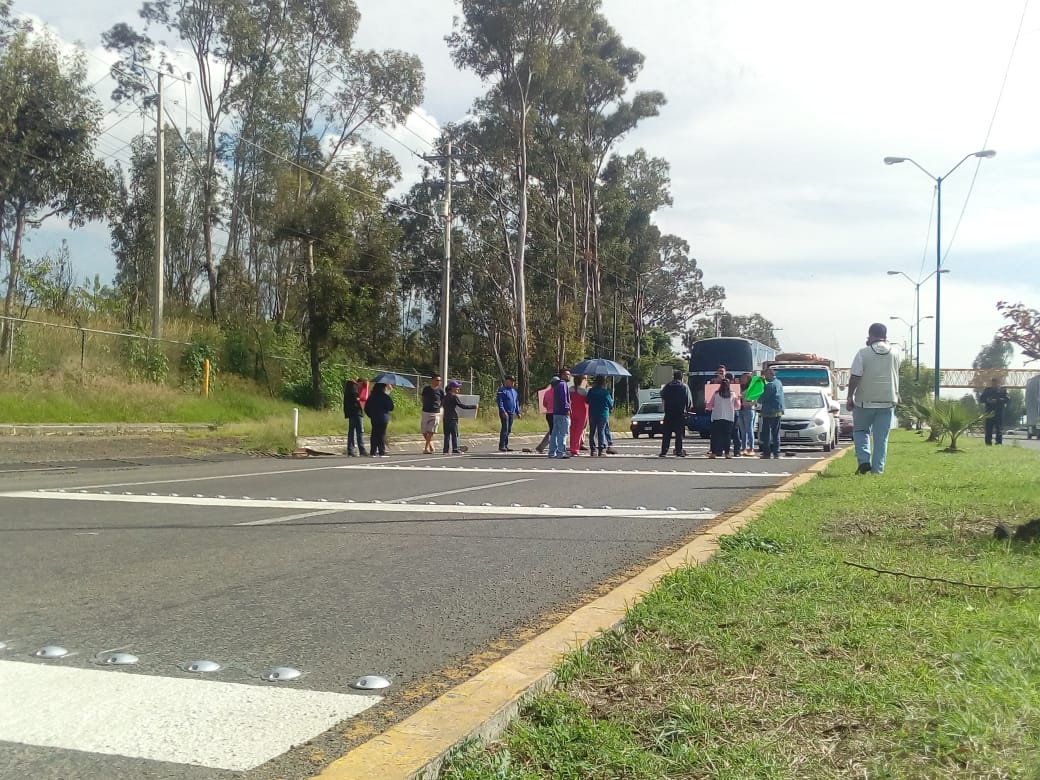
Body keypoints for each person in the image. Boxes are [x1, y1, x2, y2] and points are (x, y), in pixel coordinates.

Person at [846, 322, 901, 474]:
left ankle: (863, 460)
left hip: (864, 401)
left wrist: (850, 396)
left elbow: (855, 376)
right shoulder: (895, 353)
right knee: (881, 438)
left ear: (870, 336)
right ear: (885, 336)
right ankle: (878, 470)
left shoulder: (862, 353)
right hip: (887, 400)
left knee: (861, 431)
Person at [659, 370, 693, 457]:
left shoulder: (667, 386)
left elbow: (662, 396)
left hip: (669, 413)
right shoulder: (684, 387)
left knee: (667, 434)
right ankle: (678, 451)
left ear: (673, 377)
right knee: (679, 434)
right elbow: (689, 401)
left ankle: (664, 451)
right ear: (681, 378)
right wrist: (688, 410)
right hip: (680, 414)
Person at [708, 377, 740, 459]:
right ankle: (727, 453)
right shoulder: (733, 394)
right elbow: (737, 406)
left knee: (715, 435)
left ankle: (714, 453)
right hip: (729, 417)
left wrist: (708, 405)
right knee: (727, 436)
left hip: (717, 416)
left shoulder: (716, 394)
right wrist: (739, 399)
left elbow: (710, 405)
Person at [757, 366, 785, 459]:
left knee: (766, 433)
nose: (764, 377)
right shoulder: (779, 382)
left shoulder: (770, 385)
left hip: (769, 411)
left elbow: (762, 398)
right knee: (776, 433)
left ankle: (767, 452)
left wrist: (757, 400)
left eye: (765, 375)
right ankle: (776, 453)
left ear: (770, 374)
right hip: (778, 410)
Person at [442, 380, 476, 454]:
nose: (458, 389)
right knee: (455, 434)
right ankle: (455, 448)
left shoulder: (445, 397)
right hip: (453, 417)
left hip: (445, 417)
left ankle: (445, 449)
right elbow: (462, 406)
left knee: (447, 434)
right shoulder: (454, 396)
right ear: (452, 388)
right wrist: (474, 406)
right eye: (456, 387)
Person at [585, 376, 614, 456]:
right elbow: (610, 404)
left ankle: (593, 450)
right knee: (601, 431)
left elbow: (587, 401)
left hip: (592, 413)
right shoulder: (605, 392)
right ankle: (601, 449)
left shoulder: (591, 391)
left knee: (592, 431)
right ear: (603, 382)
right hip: (603, 413)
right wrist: (611, 407)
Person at [364, 382, 394, 457]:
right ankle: (381, 451)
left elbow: (366, 408)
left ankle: (373, 452)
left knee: (374, 433)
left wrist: (370, 415)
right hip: (384, 417)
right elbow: (391, 407)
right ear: (383, 388)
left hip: (374, 417)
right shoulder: (385, 397)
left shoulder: (371, 397)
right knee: (381, 434)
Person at [547, 369, 572, 458]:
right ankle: (561, 452)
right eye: (566, 374)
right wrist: (567, 409)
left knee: (555, 432)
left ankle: (552, 452)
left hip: (556, 412)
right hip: (562, 412)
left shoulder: (556, 385)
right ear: (561, 375)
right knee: (563, 433)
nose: (568, 376)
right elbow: (563, 398)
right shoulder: (563, 384)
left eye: (569, 374)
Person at [979, 378, 1010, 446]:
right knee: (988, 429)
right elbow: (981, 399)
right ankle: (988, 442)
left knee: (999, 428)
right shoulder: (987, 390)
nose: (995, 384)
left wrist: (998, 400)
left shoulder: (1003, 390)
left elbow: (1007, 399)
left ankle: (998, 442)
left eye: (996, 383)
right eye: (993, 383)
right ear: (991, 383)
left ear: (998, 383)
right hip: (989, 412)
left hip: (999, 412)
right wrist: (988, 400)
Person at [419, 374, 445, 455]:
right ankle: (430, 444)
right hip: (425, 411)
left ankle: (426, 448)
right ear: (432, 380)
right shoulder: (426, 389)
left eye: (440, 381)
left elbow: (443, 401)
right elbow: (422, 398)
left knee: (431, 431)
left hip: (435, 412)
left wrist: (439, 408)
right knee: (424, 431)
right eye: (437, 380)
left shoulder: (440, 391)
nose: (438, 382)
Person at [496, 375, 521, 451]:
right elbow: (500, 402)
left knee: (509, 429)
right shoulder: (502, 390)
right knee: (505, 428)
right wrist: (502, 410)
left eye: (513, 382)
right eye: (511, 381)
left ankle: (506, 445)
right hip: (505, 412)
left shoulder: (514, 391)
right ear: (507, 382)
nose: (512, 383)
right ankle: (502, 445)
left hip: (511, 412)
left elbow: (516, 402)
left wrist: (518, 412)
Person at [342, 379, 367, 456]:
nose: (361, 386)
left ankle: (350, 450)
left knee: (351, 432)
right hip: (357, 412)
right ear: (359, 383)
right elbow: (357, 399)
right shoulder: (354, 388)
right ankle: (362, 450)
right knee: (359, 432)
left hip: (350, 413)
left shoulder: (348, 389)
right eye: (361, 384)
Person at [736, 372, 757, 456]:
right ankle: (743, 447)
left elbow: (754, 400)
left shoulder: (751, 388)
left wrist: (747, 403)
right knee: (742, 430)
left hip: (748, 410)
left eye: (744, 378)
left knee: (749, 429)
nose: (742, 379)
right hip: (740, 410)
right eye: (742, 378)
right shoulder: (739, 388)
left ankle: (751, 448)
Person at [569, 375, 589, 456]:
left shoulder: (570, 389)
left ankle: (572, 447)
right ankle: (575, 449)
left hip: (572, 411)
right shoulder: (584, 391)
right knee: (579, 431)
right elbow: (588, 401)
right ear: (581, 381)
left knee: (572, 430)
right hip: (582, 412)